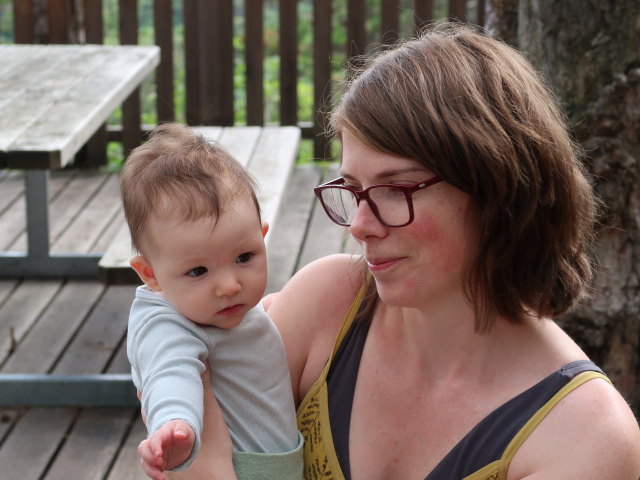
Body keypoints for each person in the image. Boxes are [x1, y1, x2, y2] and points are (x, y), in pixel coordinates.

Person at [158, 24, 640, 480]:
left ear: (501, 190)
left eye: (397, 188)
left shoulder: (585, 438)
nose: (361, 227)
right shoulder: (327, 304)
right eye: (352, 188)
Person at [121, 123, 303, 480]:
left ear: (262, 238)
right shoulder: (165, 325)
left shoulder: (214, 310)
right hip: (241, 470)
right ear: (150, 274)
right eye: (198, 271)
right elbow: (170, 374)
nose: (229, 286)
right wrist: (175, 425)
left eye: (244, 257)